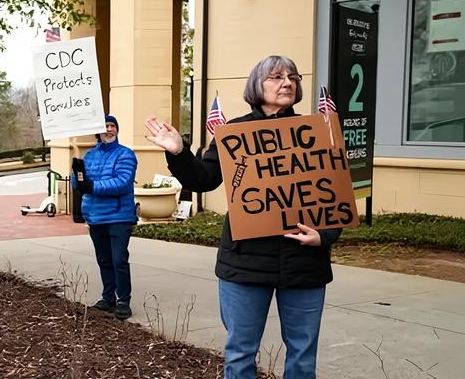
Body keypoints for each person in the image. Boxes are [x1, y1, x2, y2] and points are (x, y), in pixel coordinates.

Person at [145, 55, 341, 379]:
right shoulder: (234, 132)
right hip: (245, 263)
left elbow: (334, 194)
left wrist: (325, 236)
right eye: (276, 77)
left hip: (305, 263)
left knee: (303, 356)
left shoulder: (317, 131)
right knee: (240, 353)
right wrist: (178, 152)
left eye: (293, 77)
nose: (287, 83)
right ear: (256, 85)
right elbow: (203, 179)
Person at [71, 115, 138, 320]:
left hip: (119, 217)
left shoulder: (125, 154)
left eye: (112, 126)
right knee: (104, 260)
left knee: (119, 260)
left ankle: (123, 301)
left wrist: (91, 186)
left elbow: (122, 182)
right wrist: (77, 174)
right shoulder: (89, 156)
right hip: (96, 216)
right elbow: (79, 185)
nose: (109, 129)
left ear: (117, 129)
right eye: (105, 126)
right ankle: (108, 298)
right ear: (98, 132)